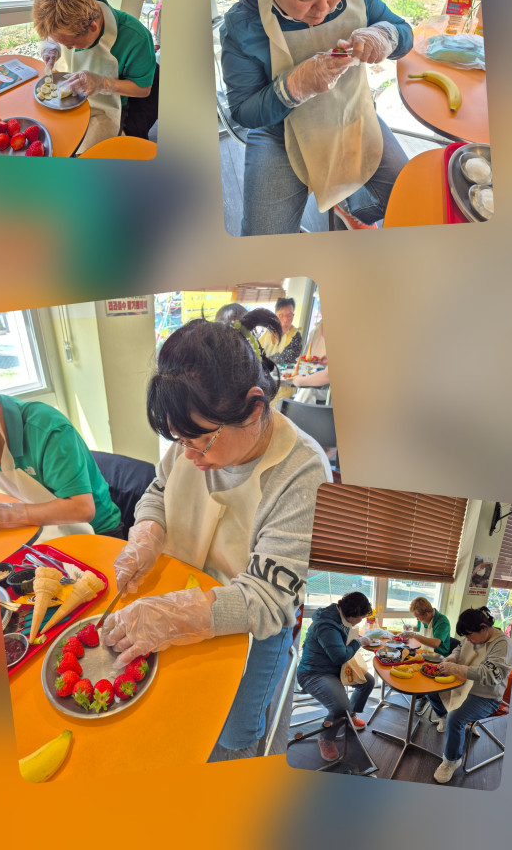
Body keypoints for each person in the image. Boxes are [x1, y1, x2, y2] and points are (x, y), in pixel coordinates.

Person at [102, 309, 332, 760]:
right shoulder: (194, 434)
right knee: (179, 705)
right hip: (184, 590)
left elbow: (267, 600)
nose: (188, 456)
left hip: (255, 622)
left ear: (253, 408)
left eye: (200, 442)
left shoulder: (303, 476)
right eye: (179, 441)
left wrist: (176, 616)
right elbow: (159, 489)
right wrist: (146, 534)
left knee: (232, 735)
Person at [220, 0, 413, 235]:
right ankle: (347, 201)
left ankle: (352, 207)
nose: (323, 8)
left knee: (413, 198)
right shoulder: (244, 24)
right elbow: (244, 112)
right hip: (280, 135)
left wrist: (384, 35)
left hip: (352, 116)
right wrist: (293, 86)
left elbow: (404, 34)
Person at [32, 0, 158, 153]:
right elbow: (53, 37)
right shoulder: (72, 19)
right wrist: (51, 47)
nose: (67, 49)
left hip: (107, 104)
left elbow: (143, 90)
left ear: (93, 27)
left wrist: (103, 83)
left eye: (70, 45)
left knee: (84, 151)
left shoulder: (137, 39)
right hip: (70, 96)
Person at [0, 392, 123, 539]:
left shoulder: (48, 429)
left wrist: (5, 514)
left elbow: (82, 509)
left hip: (97, 531)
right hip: (43, 527)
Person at [427, 605, 512, 784]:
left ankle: (451, 761)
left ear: (483, 628)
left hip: (486, 696)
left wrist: (455, 668)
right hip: (462, 684)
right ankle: (443, 717)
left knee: (455, 718)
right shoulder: (472, 634)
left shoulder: (503, 645)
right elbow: (459, 649)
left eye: (469, 636)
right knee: (430, 688)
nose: (468, 640)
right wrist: (452, 658)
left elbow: (488, 675)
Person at [297, 591, 375, 763]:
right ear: (353, 613)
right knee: (340, 706)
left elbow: (340, 644)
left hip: (333, 669)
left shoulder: (339, 617)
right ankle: (326, 737)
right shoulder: (326, 625)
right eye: (361, 617)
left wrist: (356, 639)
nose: (361, 620)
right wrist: (358, 642)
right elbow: (340, 656)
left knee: (368, 682)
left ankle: (348, 716)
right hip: (314, 673)